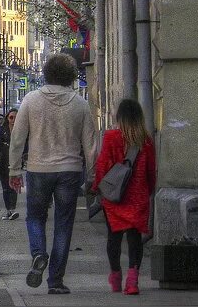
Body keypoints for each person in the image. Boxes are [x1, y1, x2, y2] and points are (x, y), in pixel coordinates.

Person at [9, 53, 97, 295]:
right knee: (63, 224)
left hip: (38, 169)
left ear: (46, 73)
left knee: (35, 217)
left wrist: (14, 170)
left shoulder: (31, 100)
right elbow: (90, 143)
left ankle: (38, 253)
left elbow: (17, 138)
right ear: (70, 76)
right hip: (70, 170)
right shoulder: (80, 104)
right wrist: (92, 176)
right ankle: (56, 281)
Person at [93, 99, 156, 296]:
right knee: (135, 238)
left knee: (114, 238)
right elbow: (151, 171)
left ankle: (115, 278)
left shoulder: (111, 137)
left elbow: (102, 165)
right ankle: (133, 281)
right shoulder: (145, 140)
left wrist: (97, 188)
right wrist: (149, 191)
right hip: (137, 197)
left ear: (119, 116)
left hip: (115, 197)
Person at [0, 108, 19, 220]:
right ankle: (8, 210)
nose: (13, 120)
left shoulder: (21, 129)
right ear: (7, 118)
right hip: (3, 162)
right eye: (11, 117)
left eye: (16, 117)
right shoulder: (2, 130)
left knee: (14, 186)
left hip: (16, 162)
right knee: (6, 187)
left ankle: (12, 209)